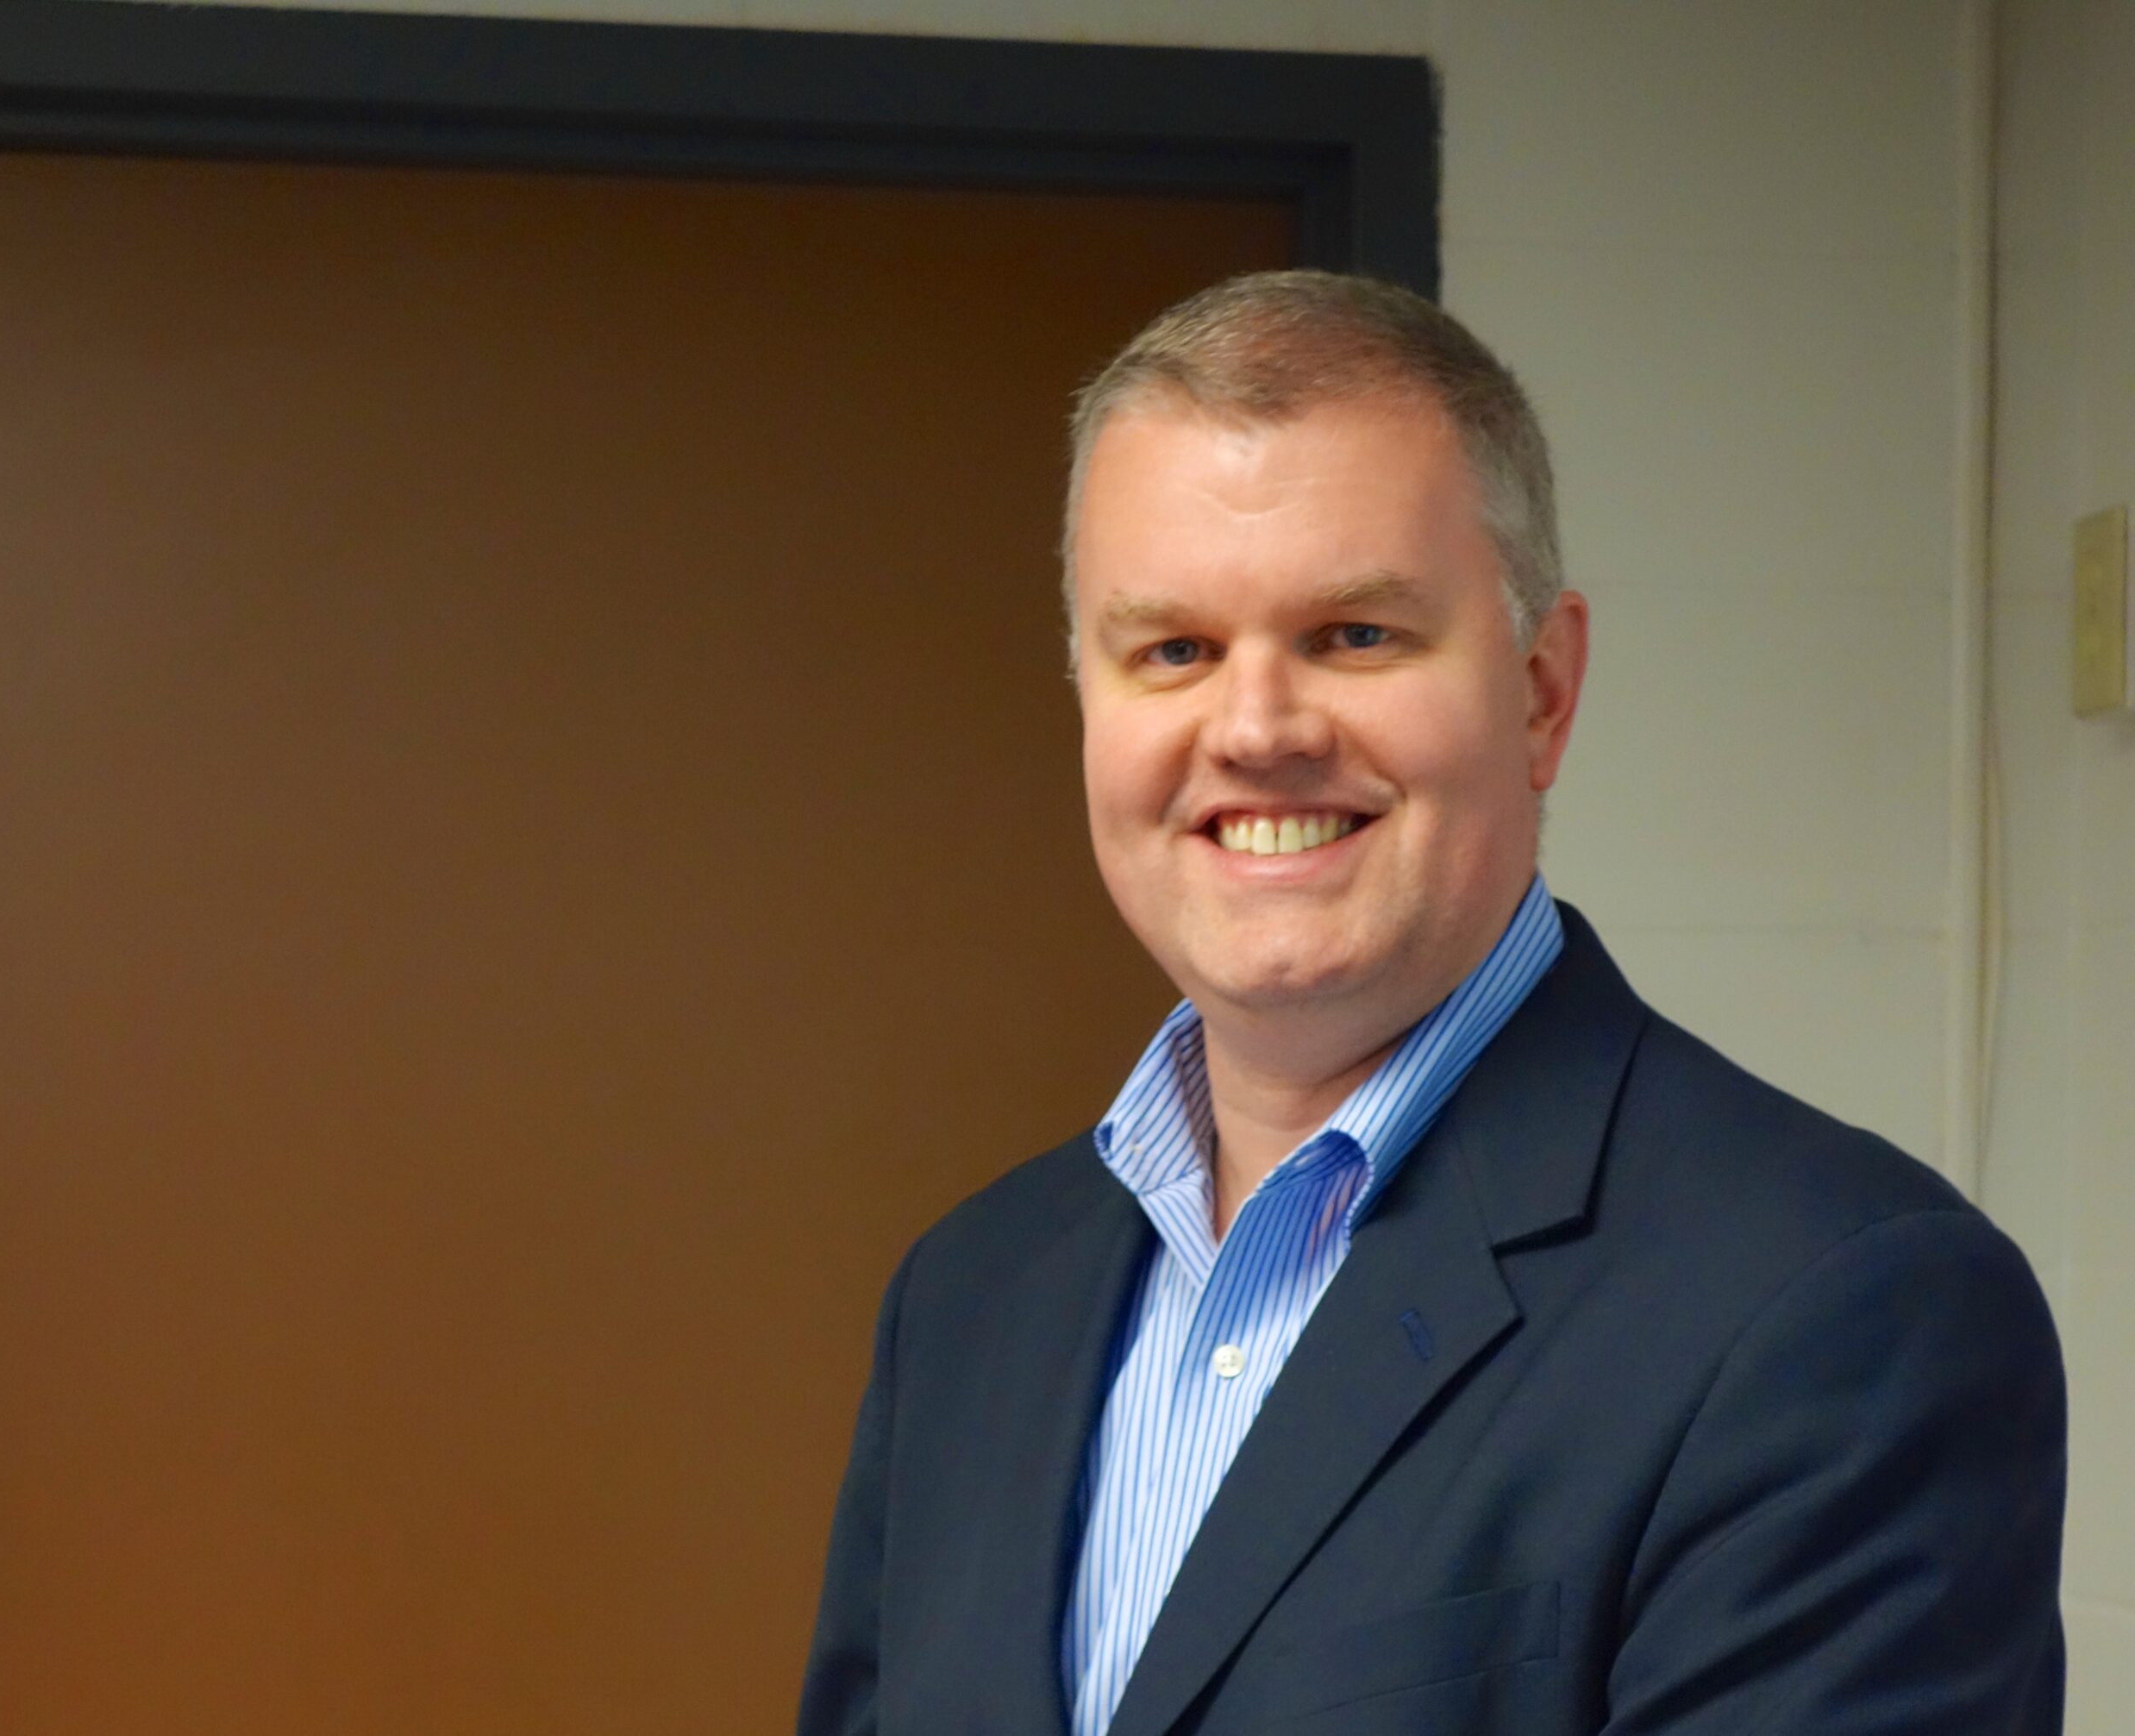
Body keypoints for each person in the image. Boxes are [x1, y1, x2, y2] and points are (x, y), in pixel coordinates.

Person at [798, 271, 2066, 1736]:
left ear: (1541, 691)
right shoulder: (969, 1301)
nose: (1256, 728)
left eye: (1355, 634)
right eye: (1173, 651)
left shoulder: (1837, 1311)